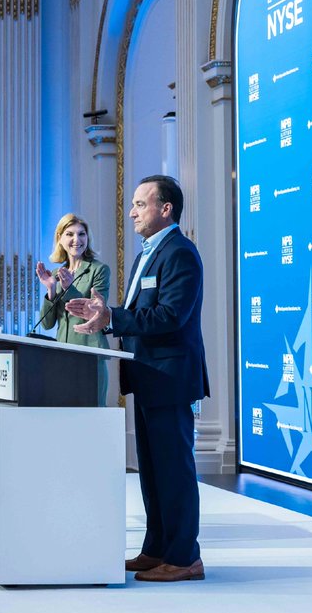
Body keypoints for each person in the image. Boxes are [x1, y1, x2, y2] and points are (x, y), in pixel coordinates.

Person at [68, 175, 209, 582]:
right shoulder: (148, 253)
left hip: (170, 377)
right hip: (148, 376)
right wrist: (104, 312)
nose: (132, 212)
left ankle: (184, 557)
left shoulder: (180, 253)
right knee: (152, 469)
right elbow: (141, 311)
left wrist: (112, 317)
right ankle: (157, 548)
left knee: (175, 470)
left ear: (165, 209)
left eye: (140, 204)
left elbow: (170, 316)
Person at [34, 213, 112, 405]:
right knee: (65, 414)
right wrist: (51, 289)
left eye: (82, 234)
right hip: (62, 355)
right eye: (69, 234)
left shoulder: (99, 270)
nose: (76, 240)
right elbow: (46, 324)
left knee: (92, 413)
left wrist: (69, 289)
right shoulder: (55, 274)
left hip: (90, 353)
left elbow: (95, 312)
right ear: (60, 238)